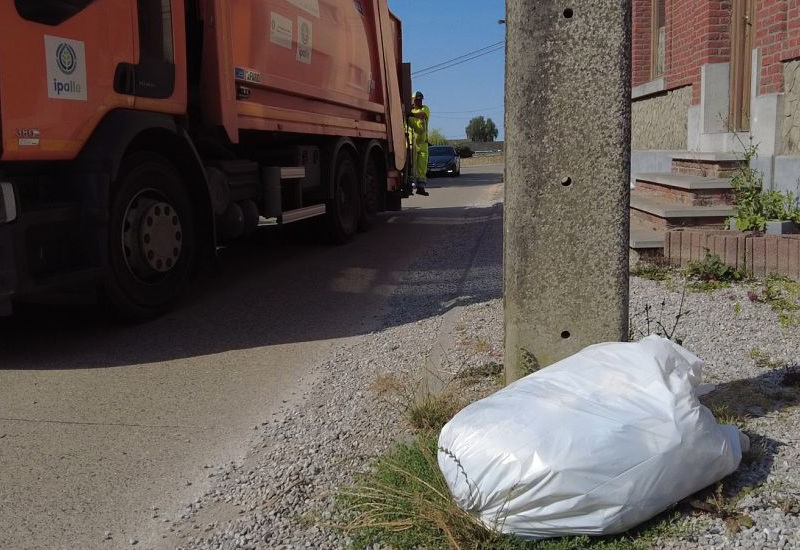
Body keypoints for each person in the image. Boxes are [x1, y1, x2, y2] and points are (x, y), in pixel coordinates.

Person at [408, 91, 430, 196]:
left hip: (422, 144)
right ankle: (410, 185)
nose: (419, 101)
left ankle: (421, 187)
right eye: (417, 99)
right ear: (412, 100)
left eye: (420, 99)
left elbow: (422, 115)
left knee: (422, 166)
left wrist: (410, 114)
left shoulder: (424, 109)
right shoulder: (409, 111)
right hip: (411, 143)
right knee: (412, 165)